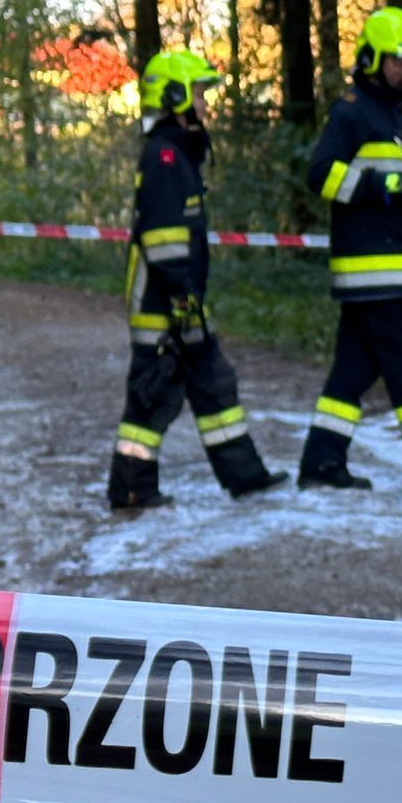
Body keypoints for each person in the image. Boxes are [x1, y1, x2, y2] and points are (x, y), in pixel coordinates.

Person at [106, 48, 289, 510]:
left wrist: (188, 304)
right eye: (200, 92)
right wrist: (182, 306)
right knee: (150, 400)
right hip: (163, 306)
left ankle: (246, 478)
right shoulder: (165, 156)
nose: (206, 102)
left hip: (179, 302)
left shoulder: (178, 153)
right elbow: (165, 242)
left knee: (214, 384)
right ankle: (130, 489)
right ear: (175, 96)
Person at [297, 8, 402, 493]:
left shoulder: (395, 119)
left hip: (387, 271)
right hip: (375, 271)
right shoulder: (351, 113)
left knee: (351, 374)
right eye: (397, 60)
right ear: (371, 58)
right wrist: (387, 185)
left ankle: (321, 463)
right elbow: (321, 176)